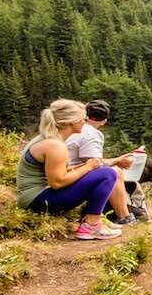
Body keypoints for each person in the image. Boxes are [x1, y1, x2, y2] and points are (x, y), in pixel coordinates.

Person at [16, 99, 122, 240]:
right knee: (107, 173)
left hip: (32, 196)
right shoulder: (55, 146)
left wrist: (83, 167)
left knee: (102, 170)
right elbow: (57, 182)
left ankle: (94, 220)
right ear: (72, 121)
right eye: (83, 119)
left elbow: (57, 171)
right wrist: (87, 167)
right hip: (36, 200)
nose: (85, 122)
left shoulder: (49, 139)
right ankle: (91, 225)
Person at [65, 99, 136, 225]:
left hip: (62, 173)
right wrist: (118, 161)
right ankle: (124, 217)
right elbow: (94, 163)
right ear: (103, 121)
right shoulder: (92, 133)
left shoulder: (70, 128)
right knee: (115, 172)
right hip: (70, 178)